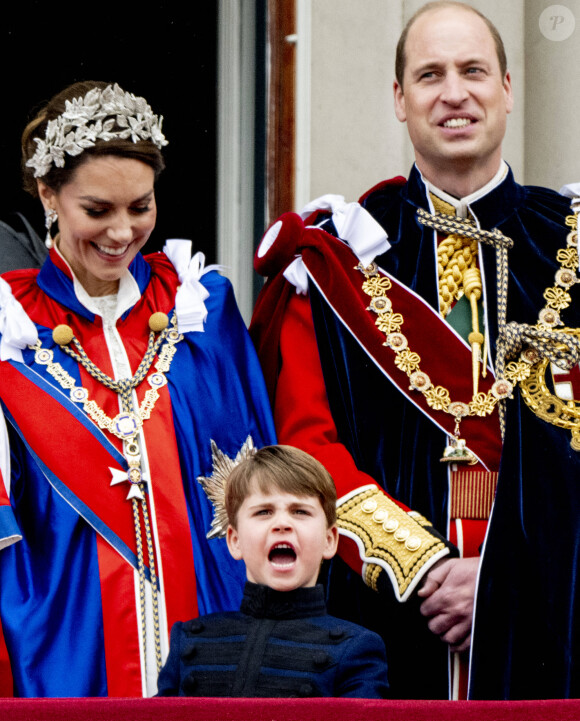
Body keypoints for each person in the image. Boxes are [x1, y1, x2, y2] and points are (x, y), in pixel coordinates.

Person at [250, 1, 580, 700]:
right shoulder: (337, 260)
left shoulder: (574, 246)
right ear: (399, 99)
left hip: (554, 612)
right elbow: (308, 448)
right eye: (429, 75)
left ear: (508, 89)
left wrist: (500, 576)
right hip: (386, 621)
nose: (453, 92)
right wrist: (425, 569)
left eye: (473, 71)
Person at [0, 80, 276, 697]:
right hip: (63, 644)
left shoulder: (200, 307)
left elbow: (260, 483)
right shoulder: (8, 329)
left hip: (209, 632)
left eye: (140, 207)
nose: (122, 233)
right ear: (48, 194)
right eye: (96, 211)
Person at [156, 444, 389, 698]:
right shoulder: (188, 640)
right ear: (234, 540)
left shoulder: (356, 647)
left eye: (300, 511)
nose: (281, 524)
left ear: (329, 540)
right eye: (263, 512)